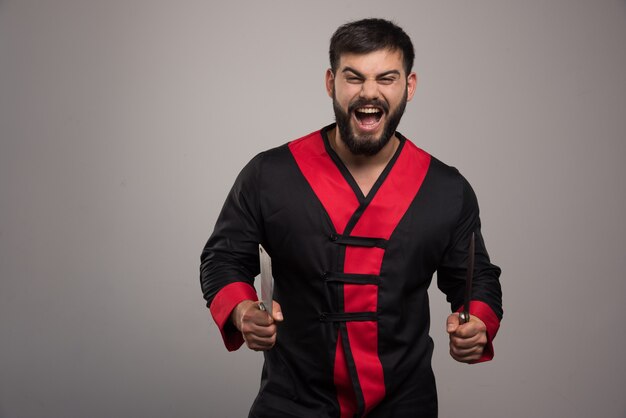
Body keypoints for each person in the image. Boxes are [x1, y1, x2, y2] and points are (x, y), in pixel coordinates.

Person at [200, 18, 502, 418]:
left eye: (386, 78)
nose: (369, 92)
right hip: (293, 401)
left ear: (409, 87)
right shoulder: (270, 174)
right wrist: (242, 311)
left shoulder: (447, 189)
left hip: (405, 403)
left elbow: (475, 277)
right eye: (354, 77)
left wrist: (476, 324)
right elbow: (221, 260)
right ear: (331, 83)